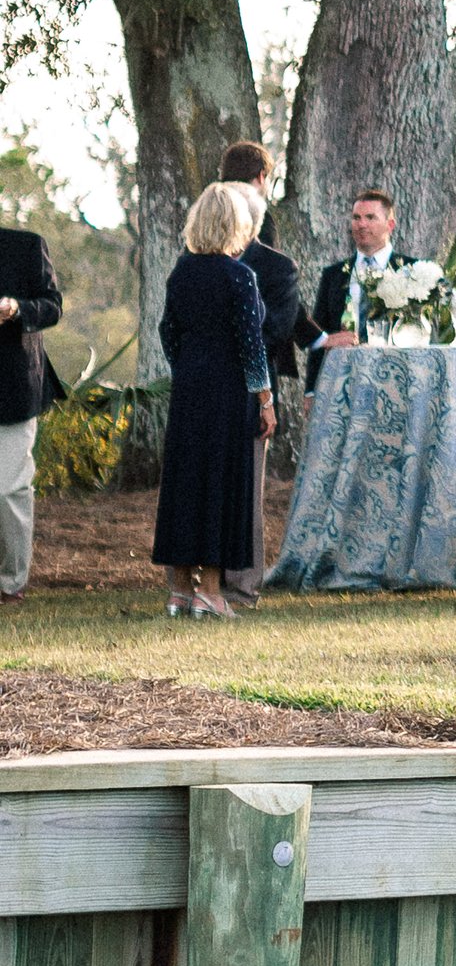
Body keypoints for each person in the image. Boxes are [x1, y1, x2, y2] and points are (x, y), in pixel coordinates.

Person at [153, 180, 271, 618]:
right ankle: (214, 591)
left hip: (189, 388)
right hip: (229, 389)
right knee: (221, 483)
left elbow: (168, 331)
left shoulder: (181, 273)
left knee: (185, 482)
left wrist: (185, 365)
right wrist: (265, 399)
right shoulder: (240, 276)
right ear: (236, 225)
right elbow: (251, 345)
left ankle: (179, 590)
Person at [219, 145, 300, 607]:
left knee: (248, 485)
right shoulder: (200, 260)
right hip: (225, 380)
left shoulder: (269, 262)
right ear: (262, 180)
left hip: (251, 380)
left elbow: (274, 325)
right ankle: (213, 579)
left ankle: (243, 583)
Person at [0, 188, 62, 606]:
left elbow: (53, 305)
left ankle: (10, 582)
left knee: (8, 488)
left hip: (13, 388)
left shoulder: (26, 245)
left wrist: (18, 308)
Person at [303, 189, 409, 380]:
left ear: (390, 225)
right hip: (342, 378)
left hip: (396, 377)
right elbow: (321, 332)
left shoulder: (411, 271)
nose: (361, 224)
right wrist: (311, 389)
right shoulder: (333, 275)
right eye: (356, 217)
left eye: (370, 217)